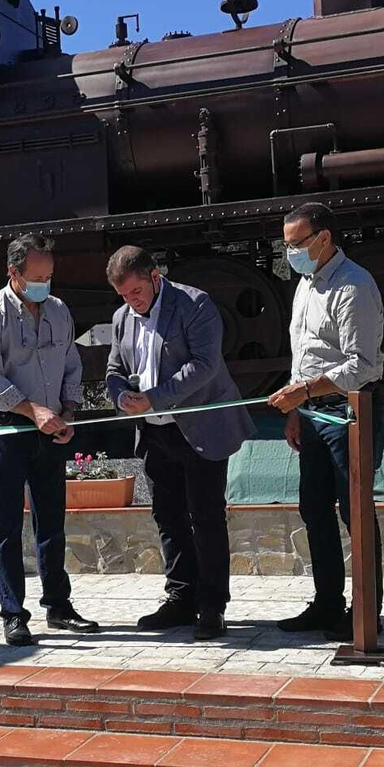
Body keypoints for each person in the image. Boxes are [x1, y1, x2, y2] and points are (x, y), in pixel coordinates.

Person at [105, 245, 252, 640]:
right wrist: (121, 397)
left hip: (200, 429)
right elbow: (115, 370)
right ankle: (180, 597)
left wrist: (154, 397)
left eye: (136, 292)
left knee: (205, 517)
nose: (131, 302)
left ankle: (212, 605)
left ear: (155, 277)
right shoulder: (122, 318)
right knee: (168, 517)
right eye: (124, 297)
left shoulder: (195, 304)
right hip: (154, 433)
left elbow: (204, 365)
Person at [0, 233, 100, 646]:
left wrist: (69, 411)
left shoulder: (59, 311)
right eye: (38, 277)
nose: (46, 285)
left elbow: (72, 365)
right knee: (5, 524)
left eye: (50, 276)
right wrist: (33, 411)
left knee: (51, 522)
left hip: (50, 428)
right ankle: (13, 614)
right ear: (14, 274)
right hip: (5, 426)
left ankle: (58, 607)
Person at [267, 202, 384, 642]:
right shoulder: (305, 284)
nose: (290, 253)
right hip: (314, 414)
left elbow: (364, 366)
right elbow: (304, 355)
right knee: (314, 509)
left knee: (356, 512)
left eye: (297, 244)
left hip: (349, 411)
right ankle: (326, 603)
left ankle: (366, 613)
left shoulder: (354, 285)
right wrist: (298, 409)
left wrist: (305, 392)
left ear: (324, 239)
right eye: (286, 245)